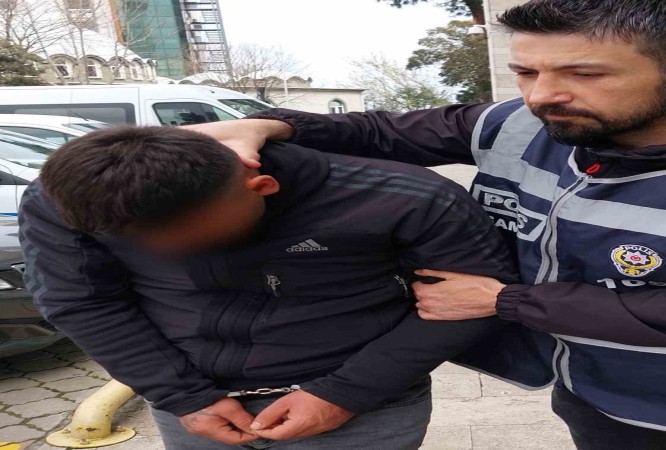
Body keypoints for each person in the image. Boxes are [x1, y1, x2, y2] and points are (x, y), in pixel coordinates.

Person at [186, 0, 666, 448]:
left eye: (585, 73)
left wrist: (506, 301)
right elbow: (381, 132)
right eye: (526, 71)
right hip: (598, 396)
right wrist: (269, 127)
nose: (542, 96)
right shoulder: (519, 123)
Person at [19, 126, 519, 449]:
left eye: (193, 240)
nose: (168, 257)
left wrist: (345, 394)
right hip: (195, 408)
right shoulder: (68, 198)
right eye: (139, 246)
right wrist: (182, 396)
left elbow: (475, 301)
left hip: (366, 409)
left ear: (260, 187)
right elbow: (82, 300)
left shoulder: (409, 198)